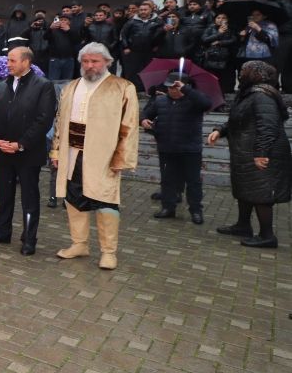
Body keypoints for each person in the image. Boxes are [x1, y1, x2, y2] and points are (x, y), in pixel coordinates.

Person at [51, 43, 139, 270]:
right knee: (73, 198)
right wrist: (56, 150)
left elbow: (129, 126)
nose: (90, 66)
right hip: (72, 153)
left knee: (106, 200)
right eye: (86, 61)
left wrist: (122, 158)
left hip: (103, 155)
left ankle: (109, 252)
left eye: (95, 61)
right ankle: (79, 244)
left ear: (107, 62)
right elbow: (60, 120)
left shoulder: (122, 87)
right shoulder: (71, 86)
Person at [0, 47, 58, 255]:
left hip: (28, 153)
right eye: (8, 60)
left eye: (12, 60)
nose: (8, 64)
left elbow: (44, 119)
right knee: (5, 194)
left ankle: (29, 237)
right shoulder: (2, 86)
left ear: (26, 62)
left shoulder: (43, 86)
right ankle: (2, 231)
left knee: (29, 198)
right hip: (3, 151)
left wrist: (21, 143)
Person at [207, 61, 291, 247]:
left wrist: (261, 153)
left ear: (256, 74)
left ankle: (267, 236)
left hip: (262, 153)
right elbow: (239, 119)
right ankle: (243, 225)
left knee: (261, 194)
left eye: (245, 70)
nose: (241, 73)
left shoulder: (262, 96)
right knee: (246, 189)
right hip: (245, 151)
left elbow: (267, 126)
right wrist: (220, 130)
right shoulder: (249, 95)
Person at [141, 72, 212, 224]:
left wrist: (187, 90)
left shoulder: (194, 100)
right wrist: (144, 120)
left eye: (175, 88)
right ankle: (168, 207)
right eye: (169, 88)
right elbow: (146, 113)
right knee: (167, 181)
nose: (171, 91)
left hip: (190, 149)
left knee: (193, 182)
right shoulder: (160, 101)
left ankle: (196, 211)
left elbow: (206, 104)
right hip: (167, 148)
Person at [120, 1, 163, 91]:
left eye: (145, 10)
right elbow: (123, 34)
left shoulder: (158, 21)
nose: (143, 11)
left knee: (149, 71)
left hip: (150, 51)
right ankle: (135, 90)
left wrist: (158, 45)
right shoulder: (132, 21)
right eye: (141, 10)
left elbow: (161, 35)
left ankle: (149, 90)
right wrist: (126, 47)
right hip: (134, 51)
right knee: (133, 71)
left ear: (151, 10)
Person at [198, 12, 238, 95]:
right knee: (211, 81)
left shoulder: (230, 29)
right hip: (211, 58)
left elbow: (233, 40)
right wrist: (219, 33)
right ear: (215, 19)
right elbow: (204, 39)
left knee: (224, 83)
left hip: (226, 60)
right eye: (218, 18)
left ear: (227, 20)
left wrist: (220, 42)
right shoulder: (210, 28)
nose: (221, 20)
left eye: (223, 18)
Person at [47, 7, 81, 80]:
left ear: (69, 22)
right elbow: (45, 37)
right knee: (54, 81)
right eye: (61, 20)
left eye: (65, 20)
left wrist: (69, 30)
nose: (62, 21)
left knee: (67, 81)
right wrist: (50, 29)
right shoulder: (53, 30)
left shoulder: (73, 30)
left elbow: (77, 41)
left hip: (69, 59)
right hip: (55, 59)